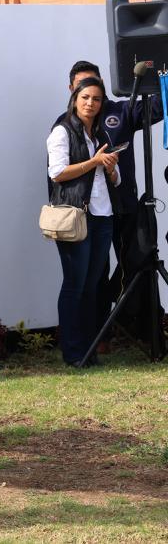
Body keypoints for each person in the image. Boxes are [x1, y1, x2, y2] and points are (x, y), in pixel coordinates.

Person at [58, 61, 162, 351]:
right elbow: (57, 174)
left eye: (94, 88)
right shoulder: (65, 126)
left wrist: (160, 76)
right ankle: (97, 337)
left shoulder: (121, 111)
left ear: (102, 86)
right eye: (82, 89)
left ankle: (144, 331)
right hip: (90, 214)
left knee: (138, 265)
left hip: (124, 206)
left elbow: (156, 107)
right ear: (72, 91)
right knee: (95, 276)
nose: (90, 97)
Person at [46, 76, 121, 367]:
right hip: (76, 216)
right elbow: (57, 173)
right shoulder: (62, 131)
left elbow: (114, 179)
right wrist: (93, 162)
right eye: (85, 97)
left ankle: (89, 350)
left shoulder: (100, 134)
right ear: (75, 99)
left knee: (92, 286)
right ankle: (73, 352)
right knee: (75, 285)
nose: (91, 103)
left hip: (103, 216)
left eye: (96, 99)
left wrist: (111, 168)